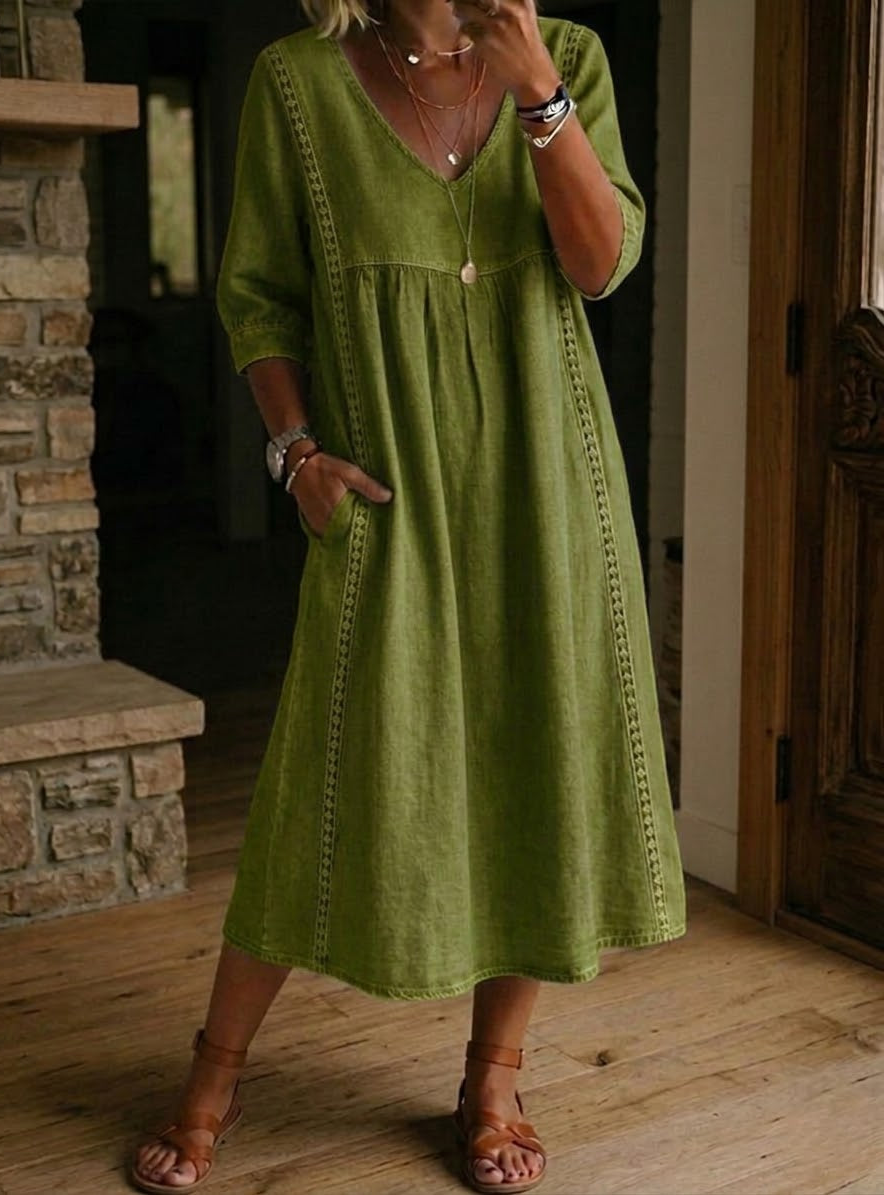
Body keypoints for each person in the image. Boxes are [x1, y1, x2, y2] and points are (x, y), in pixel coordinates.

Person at [130, 0, 686, 1189]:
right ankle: (214, 1071)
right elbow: (257, 294)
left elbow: (598, 265)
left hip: (547, 488)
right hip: (387, 494)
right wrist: (295, 457)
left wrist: (536, 93)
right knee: (318, 781)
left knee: (537, 762)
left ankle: (493, 1079)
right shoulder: (297, 82)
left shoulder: (567, 57)